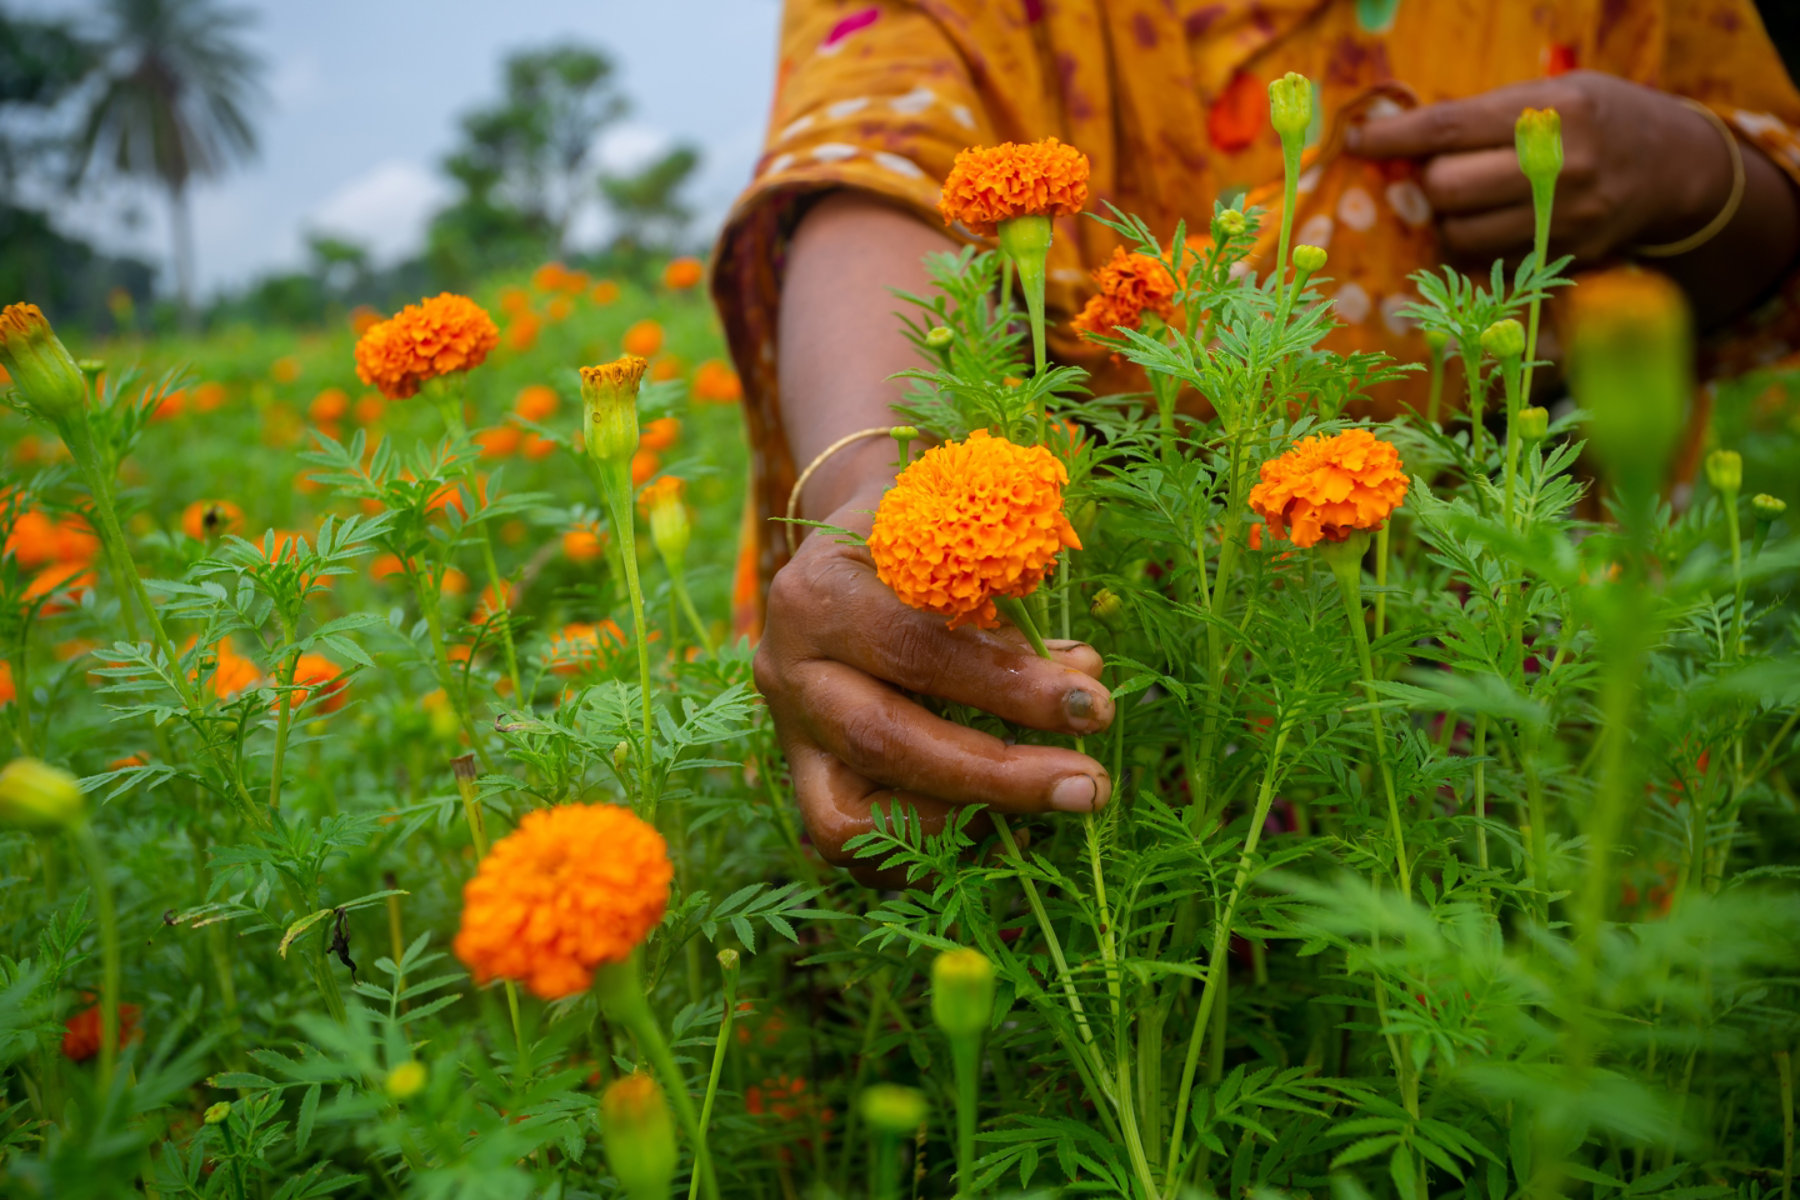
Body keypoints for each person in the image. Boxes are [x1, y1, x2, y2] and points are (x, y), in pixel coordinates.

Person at [707, 0, 1800, 875]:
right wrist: (878, 485)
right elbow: (871, 162)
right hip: (1092, 660)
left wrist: (1696, 174)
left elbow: (1773, 201)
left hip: (1519, 667)